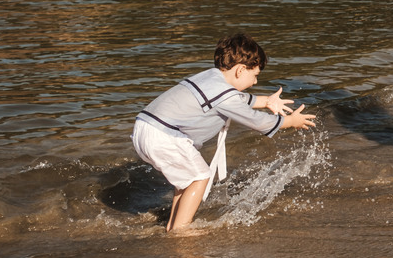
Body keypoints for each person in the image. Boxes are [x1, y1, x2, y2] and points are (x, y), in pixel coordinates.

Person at [132, 32, 318, 231]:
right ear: (240, 70)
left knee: (187, 181)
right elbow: (257, 121)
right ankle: (181, 232)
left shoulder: (210, 78)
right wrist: (290, 121)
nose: (255, 82)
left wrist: (266, 101)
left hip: (146, 128)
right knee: (200, 177)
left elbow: (237, 100)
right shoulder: (225, 95)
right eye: (255, 75)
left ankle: (173, 226)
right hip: (163, 135)